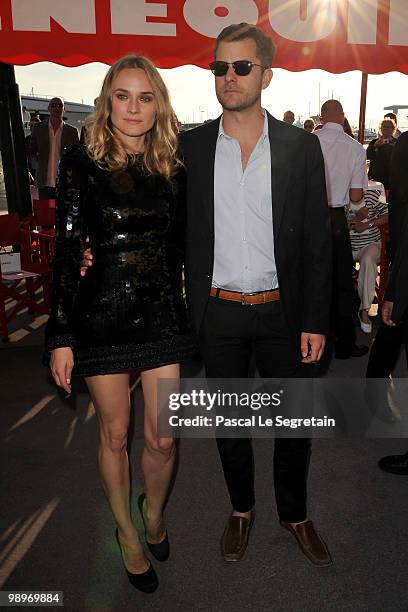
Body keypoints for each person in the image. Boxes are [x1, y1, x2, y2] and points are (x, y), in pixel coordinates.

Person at [179, 23, 333, 566]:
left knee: (294, 424)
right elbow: (166, 226)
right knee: (229, 423)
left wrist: (316, 320)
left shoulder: (301, 146)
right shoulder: (190, 147)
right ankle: (241, 509)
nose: (228, 77)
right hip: (218, 312)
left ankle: (295, 514)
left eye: (241, 67)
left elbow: (319, 241)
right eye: (220, 67)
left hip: (282, 314)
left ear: (266, 75)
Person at [45, 55, 196, 593]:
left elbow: (183, 251)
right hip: (100, 314)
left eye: (145, 97)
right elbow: (66, 253)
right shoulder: (80, 165)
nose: (134, 108)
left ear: (159, 106)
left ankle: (153, 513)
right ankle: (129, 534)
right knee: (114, 433)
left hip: (160, 314)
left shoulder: (173, 169)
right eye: (123, 96)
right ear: (108, 101)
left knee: (163, 436)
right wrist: (60, 335)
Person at [315, 99, 368, 359]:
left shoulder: (308, 141)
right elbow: (357, 196)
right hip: (336, 219)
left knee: (311, 279)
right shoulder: (356, 148)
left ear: (322, 116)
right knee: (342, 284)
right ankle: (345, 344)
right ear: (342, 116)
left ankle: (311, 343)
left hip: (310, 217)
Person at [348, 188, 388, 333]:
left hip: (370, 244)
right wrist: (355, 220)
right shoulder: (341, 198)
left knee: (368, 259)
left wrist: (367, 224)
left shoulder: (373, 194)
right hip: (348, 247)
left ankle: (364, 310)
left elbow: (389, 214)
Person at [29, 97, 79, 200]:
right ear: (49, 109)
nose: (57, 107)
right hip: (44, 181)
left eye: (60, 105)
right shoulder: (38, 128)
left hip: (64, 183)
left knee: (62, 215)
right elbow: (31, 151)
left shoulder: (72, 131)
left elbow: (76, 157)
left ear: (64, 109)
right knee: (45, 214)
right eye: (53, 105)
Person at [366, 118, 398, 190]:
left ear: (393, 129)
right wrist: (375, 147)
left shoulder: (397, 143)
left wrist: (392, 148)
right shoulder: (374, 142)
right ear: (380, 129)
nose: (386, 128)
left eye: (388, 127)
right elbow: (367, 157)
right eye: (384, 126)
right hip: (375, 177)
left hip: (390, 177)